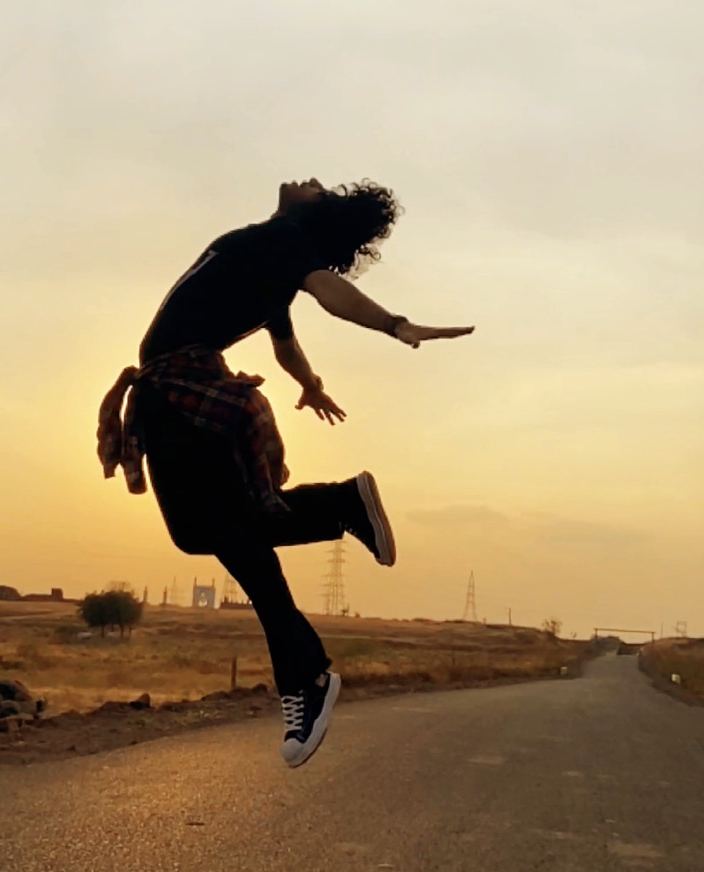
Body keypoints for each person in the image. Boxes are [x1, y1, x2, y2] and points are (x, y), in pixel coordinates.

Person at [97, 178, 474, 767]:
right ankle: (339, 509)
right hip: (177, 393)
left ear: (317, 213)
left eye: (320, 188)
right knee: (214, 533)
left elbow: (331, 293)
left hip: (183, 395)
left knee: (227, 539)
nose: (309, 180)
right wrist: (311, 386)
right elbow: (286, 346)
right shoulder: (269, 261)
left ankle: (306, 676)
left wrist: (395, 324)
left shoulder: (287, 241)